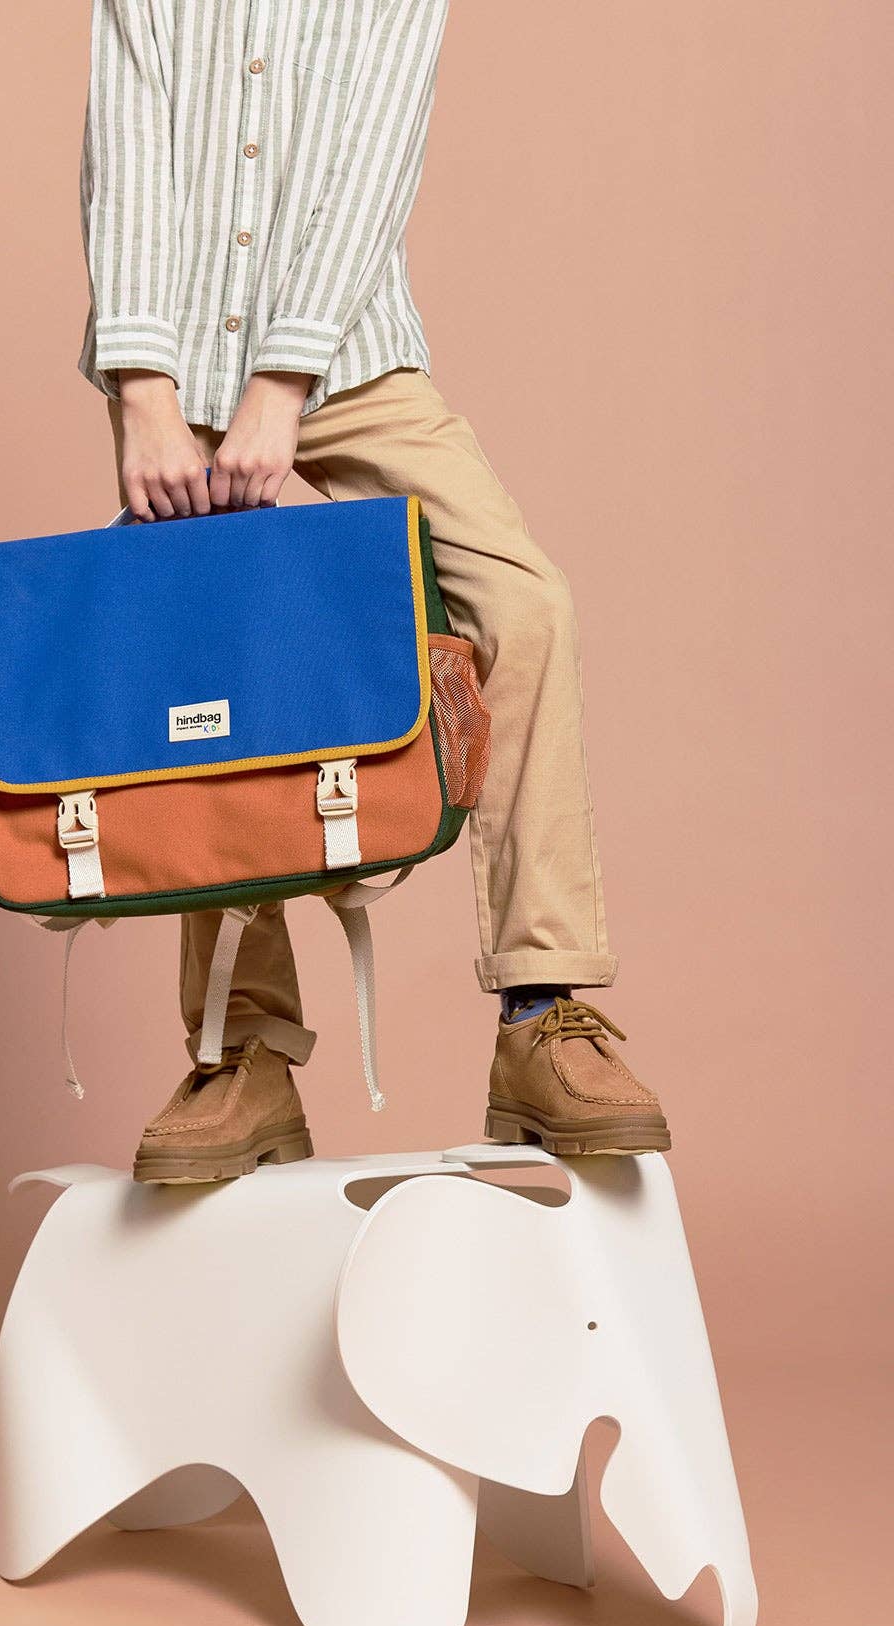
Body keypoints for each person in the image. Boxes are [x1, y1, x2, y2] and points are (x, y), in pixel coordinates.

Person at [80, 0, 669, 1179]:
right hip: (175, 368)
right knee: (210, 679)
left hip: (345, 357)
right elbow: (127, 138)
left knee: (523, 606)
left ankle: (539, 1013)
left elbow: (371, 156)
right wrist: (142, 387)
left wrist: (281, 384)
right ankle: (243, 1053)